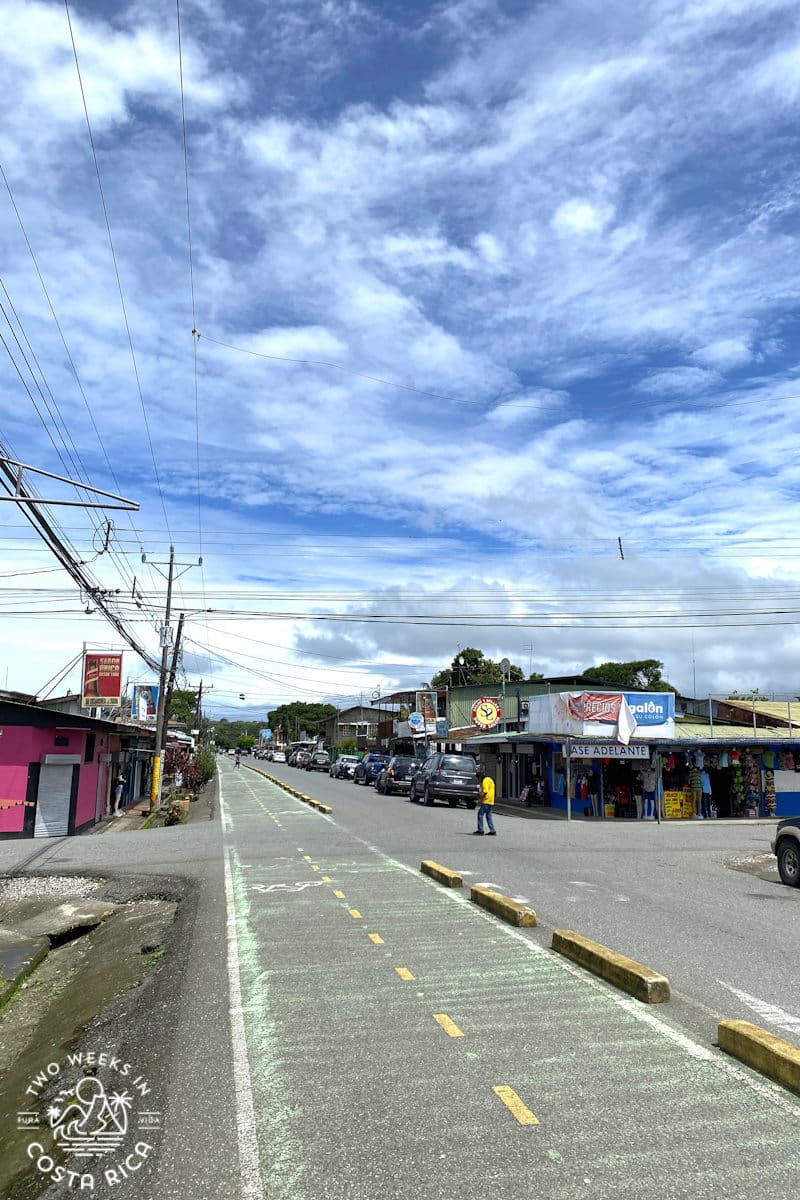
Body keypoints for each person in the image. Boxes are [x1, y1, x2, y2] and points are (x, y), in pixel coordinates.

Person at [474, 769, 496, 836]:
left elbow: (485, 791)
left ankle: (480, 830)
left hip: (486, 800)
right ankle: (492, 830)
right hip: (491, 800)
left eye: (478, 778)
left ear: (480, 777)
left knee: (480, 814)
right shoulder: (490, 779)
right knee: (488, 815)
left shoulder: (485, 781)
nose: (478, 780)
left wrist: (479, 797)